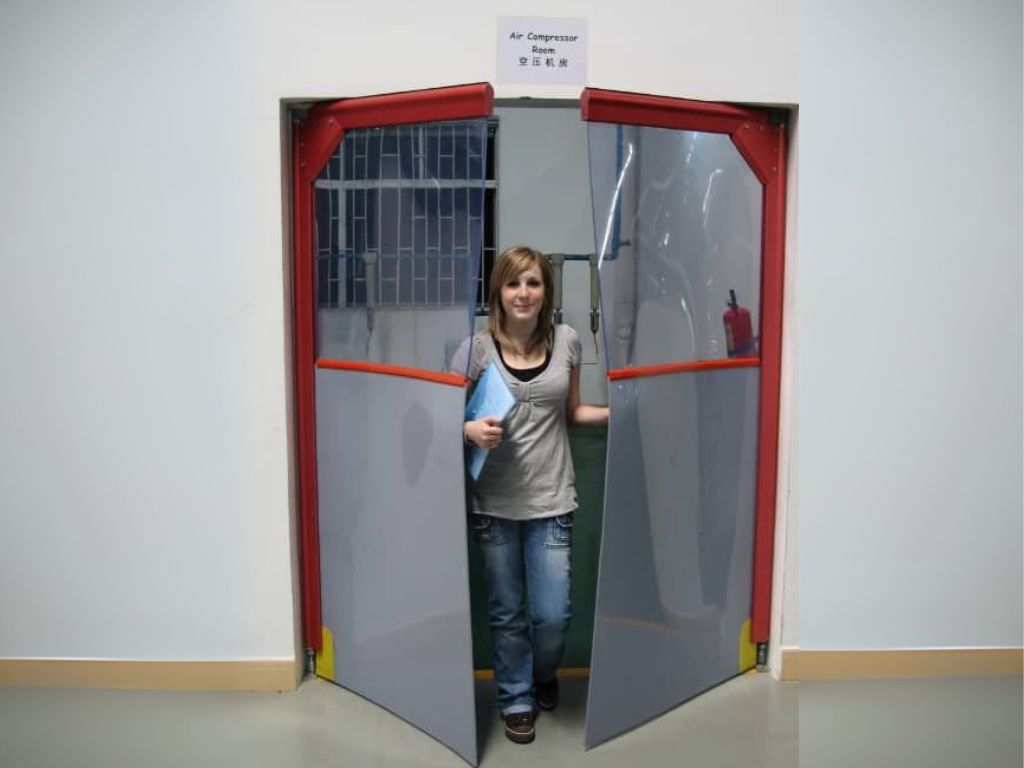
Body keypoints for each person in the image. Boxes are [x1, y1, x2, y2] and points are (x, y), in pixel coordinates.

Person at [455, 246, 609, 745]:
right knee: (505, 612)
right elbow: (440, 418)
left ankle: (545, 673)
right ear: (498, 292)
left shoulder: (567, 341)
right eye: (514, 283)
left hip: (552, 499)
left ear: (547, 292)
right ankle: (517, 698)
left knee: (551, 615)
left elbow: (572, 411)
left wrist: (620, 411)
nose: (524, 293)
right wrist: (468, 430)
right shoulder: (474, 350)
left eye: (534, 283)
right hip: (494, 504)